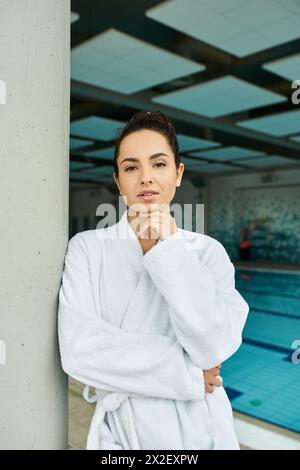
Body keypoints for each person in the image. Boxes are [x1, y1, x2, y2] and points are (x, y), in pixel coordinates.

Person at [58, 110, 249, 450]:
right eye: (131, 167)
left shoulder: (207, 252)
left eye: (158, 164)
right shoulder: (87, 248)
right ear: (118, 181)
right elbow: (78, 351)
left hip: (203, 431)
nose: (146, 178)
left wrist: (170, 252)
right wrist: (188, 372)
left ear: (178, 174)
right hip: (124, 435)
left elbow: (214, 346)